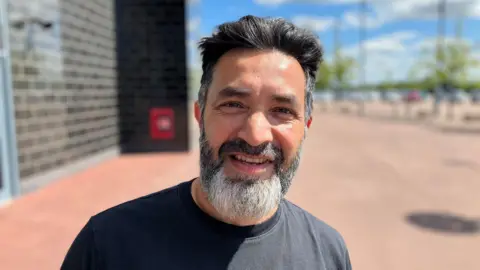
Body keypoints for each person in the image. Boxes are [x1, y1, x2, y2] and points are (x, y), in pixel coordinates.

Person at [61, 15, 352, 270]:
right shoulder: (108, 245)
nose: (256, 135)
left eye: (283, 111)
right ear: (200, 114)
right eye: (234, 104)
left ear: (305, 127)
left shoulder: (328, 252)